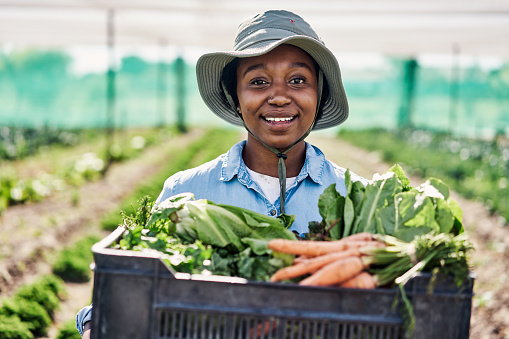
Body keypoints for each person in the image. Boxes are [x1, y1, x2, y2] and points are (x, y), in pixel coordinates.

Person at [76, 9, 366, 337]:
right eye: (258, 81)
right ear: (236, 98)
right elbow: (131, 294)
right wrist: (93, 324)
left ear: (320, 94)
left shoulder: (357, 198)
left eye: (298, 80)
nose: (280, 96)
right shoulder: (185, 194)